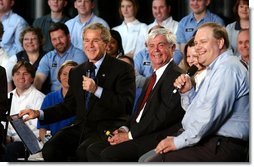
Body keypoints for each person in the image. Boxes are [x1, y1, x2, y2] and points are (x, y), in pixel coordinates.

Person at [19, 23, 136, 162]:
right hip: (81, 127)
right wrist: (39, 113)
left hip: (107, 127)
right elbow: (68, 107)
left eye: (95, 41)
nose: (90, 45)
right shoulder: (77, 71)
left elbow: (125, 105)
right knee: (50, 149)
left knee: (84, 151)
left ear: (105, 43)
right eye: (86, 40)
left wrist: (96, 90)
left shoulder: (122, 69)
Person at [140, 22, 249, 162]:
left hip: (223, 145)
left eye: (203, 42)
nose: (197, 48)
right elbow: (195, 112)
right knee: (147, 159)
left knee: (153, 162)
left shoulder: (227, 69)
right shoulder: (214, 69)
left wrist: (177, 142)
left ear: (220, 42)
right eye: (196, 43)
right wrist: (188, 92)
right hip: (209, 140)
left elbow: (208, 118)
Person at [85, 28, 185, 162]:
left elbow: (161, 118)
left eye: (161, 45)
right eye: (151, 46)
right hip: (139, 132)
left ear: (172, 48)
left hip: (155, 137)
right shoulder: (152, 77)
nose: (155, 50)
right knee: (93, 149)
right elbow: (139, 112)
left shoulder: (176, 76)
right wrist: (123, 128)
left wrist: (130, 135)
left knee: (108, 154)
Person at [3, 61, 45, 162]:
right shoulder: (7, 97)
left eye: (25, 73)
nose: (21, 77)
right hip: (6, 139)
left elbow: (37, 131)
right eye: (17, 73)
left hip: (28, 145)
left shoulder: (40, 98)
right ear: (12, 77)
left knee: (11, 149)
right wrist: (5, 136)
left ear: (32, 78)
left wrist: (13, 139)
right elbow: (4, 122)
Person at [34, 22, 87, 92]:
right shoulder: (48, 57)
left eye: (61, 37)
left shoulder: (79, 55)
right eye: (54, 39)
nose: (58, 41)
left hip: (72, 96)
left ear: (69, 37)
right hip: (53, 97)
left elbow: (76, 82)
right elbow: (39, 80)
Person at [37, 60, 78, 142]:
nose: (68, 77)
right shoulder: (49, 98)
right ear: (59, 76)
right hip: (52, 143)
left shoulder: (84, 98)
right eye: (65, 74)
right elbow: (42, 129)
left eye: (72, 74)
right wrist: (48, 144)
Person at [5, 26, 46, 92]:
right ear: (22, 42)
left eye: (34, 39)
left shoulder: (48, 56)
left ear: (40, 41)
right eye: (26, 39)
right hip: (20, 98)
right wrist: (11, 99)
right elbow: (7, 79)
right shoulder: (15, 58)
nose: (30, 41)